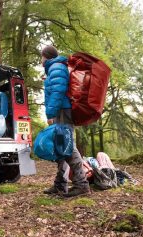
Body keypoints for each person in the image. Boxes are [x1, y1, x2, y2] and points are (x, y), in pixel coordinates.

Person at [41, 45, 91, 197]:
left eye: (42, 56)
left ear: (46, 56)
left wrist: (50, 113)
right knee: (60, 148)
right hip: (60, 111)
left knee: (68, 147)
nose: (40, 60)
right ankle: (60, 184)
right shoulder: (54, 68)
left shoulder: (56, 67)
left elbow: (58, 91)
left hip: (61, 111)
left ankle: (81, 184)